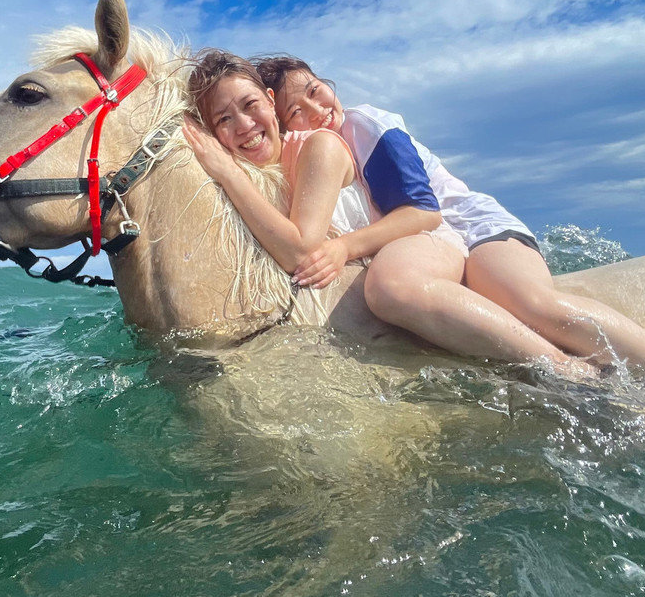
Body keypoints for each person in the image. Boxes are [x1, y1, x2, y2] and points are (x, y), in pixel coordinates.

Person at [253, 55, 645, 376]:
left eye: (316, 91)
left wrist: (343, 247)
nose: (317, 110)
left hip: (473, 228)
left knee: (531, 304)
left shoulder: (364, 125)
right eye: (298, 111)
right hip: (430, 242)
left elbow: (422, 211)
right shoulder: (315, 149)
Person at [183, 49, 599, 375]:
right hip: (397, 249)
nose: (243, 124)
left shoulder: (325, 144)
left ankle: (564, 368)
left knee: (395, 287)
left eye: (250, 104)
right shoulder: (267, 176)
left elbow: (301, 249)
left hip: (429, 239)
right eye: (223, 119)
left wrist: (226, 173)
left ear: (271, 103)